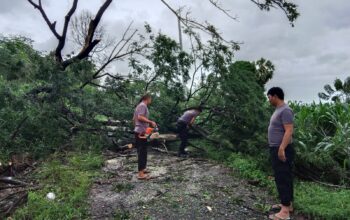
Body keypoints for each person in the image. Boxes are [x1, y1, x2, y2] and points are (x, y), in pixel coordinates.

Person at [267, 87, 295, 220]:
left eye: (269, 97)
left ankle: (284, 213)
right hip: (277, 148)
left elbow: (289, 131)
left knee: (282, 178)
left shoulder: (286, 110)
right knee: (285, 176)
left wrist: (282, 148)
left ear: (275, 96)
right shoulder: (278, 110)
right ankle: (288, 205)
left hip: (282, 149)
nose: (269, 99)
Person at [133, 94, 157, 180]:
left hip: (141, 131)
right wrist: (150, 122)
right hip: (140, 132)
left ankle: (143, 169)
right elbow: (139, 117)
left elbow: (134, 119)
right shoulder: (143, 105)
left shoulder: (140, 106)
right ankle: (141, 174)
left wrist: (139, 127)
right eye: (151, 98)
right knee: (142, 152)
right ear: (147, 98)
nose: (151, 100)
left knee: (144, 151)